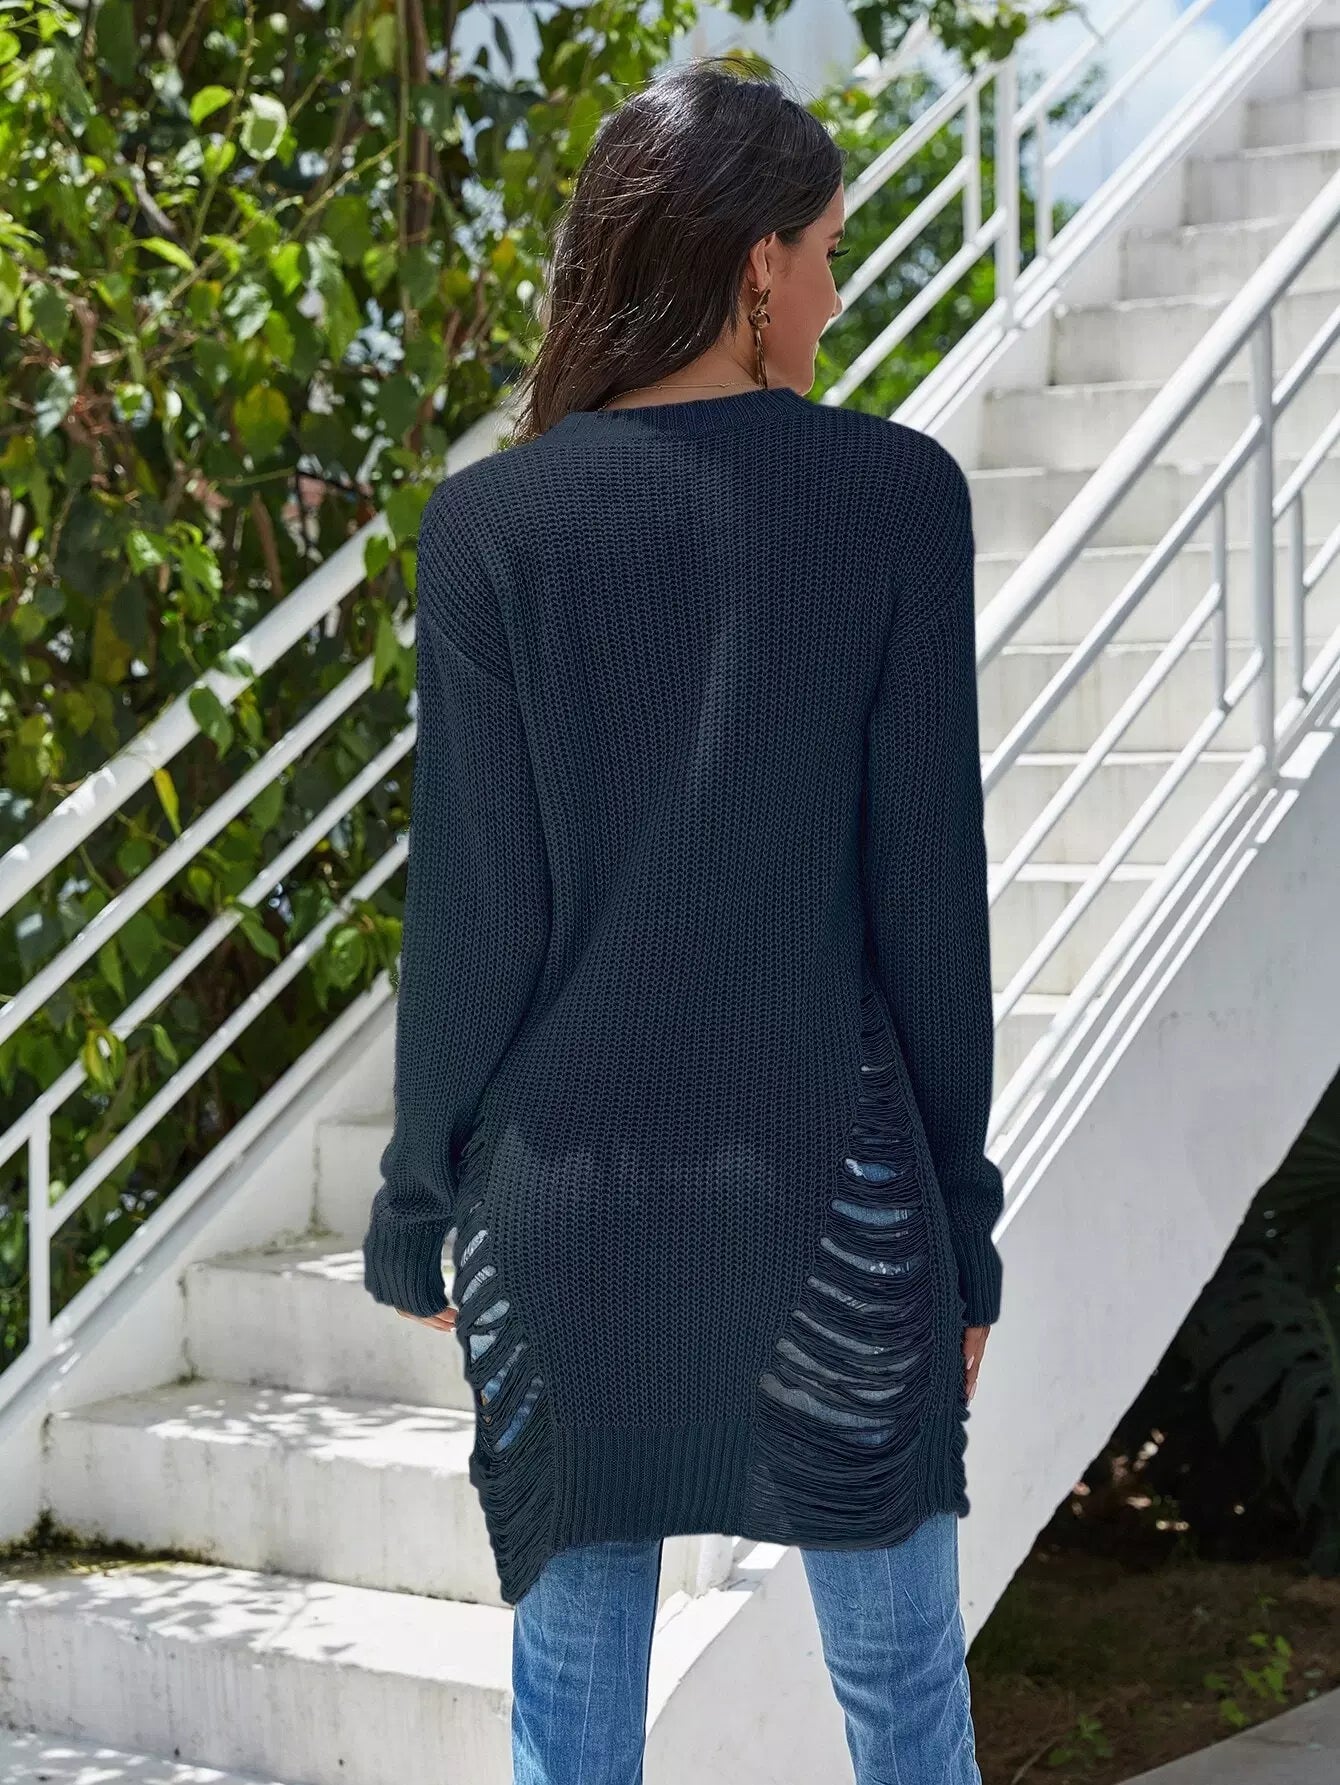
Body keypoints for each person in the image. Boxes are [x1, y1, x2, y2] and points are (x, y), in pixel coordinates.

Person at [361, 54, 1004, 1785]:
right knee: (907, 1709)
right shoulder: (896, 496)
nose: (840, 293)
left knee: (569, 1732)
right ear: (756, 264)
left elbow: (473, 920)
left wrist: (418, 1201)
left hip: (564, 1221)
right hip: (840, 1208)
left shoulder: (488, 527)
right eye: (831, 252)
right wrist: (963, 1223)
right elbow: (929, 907)